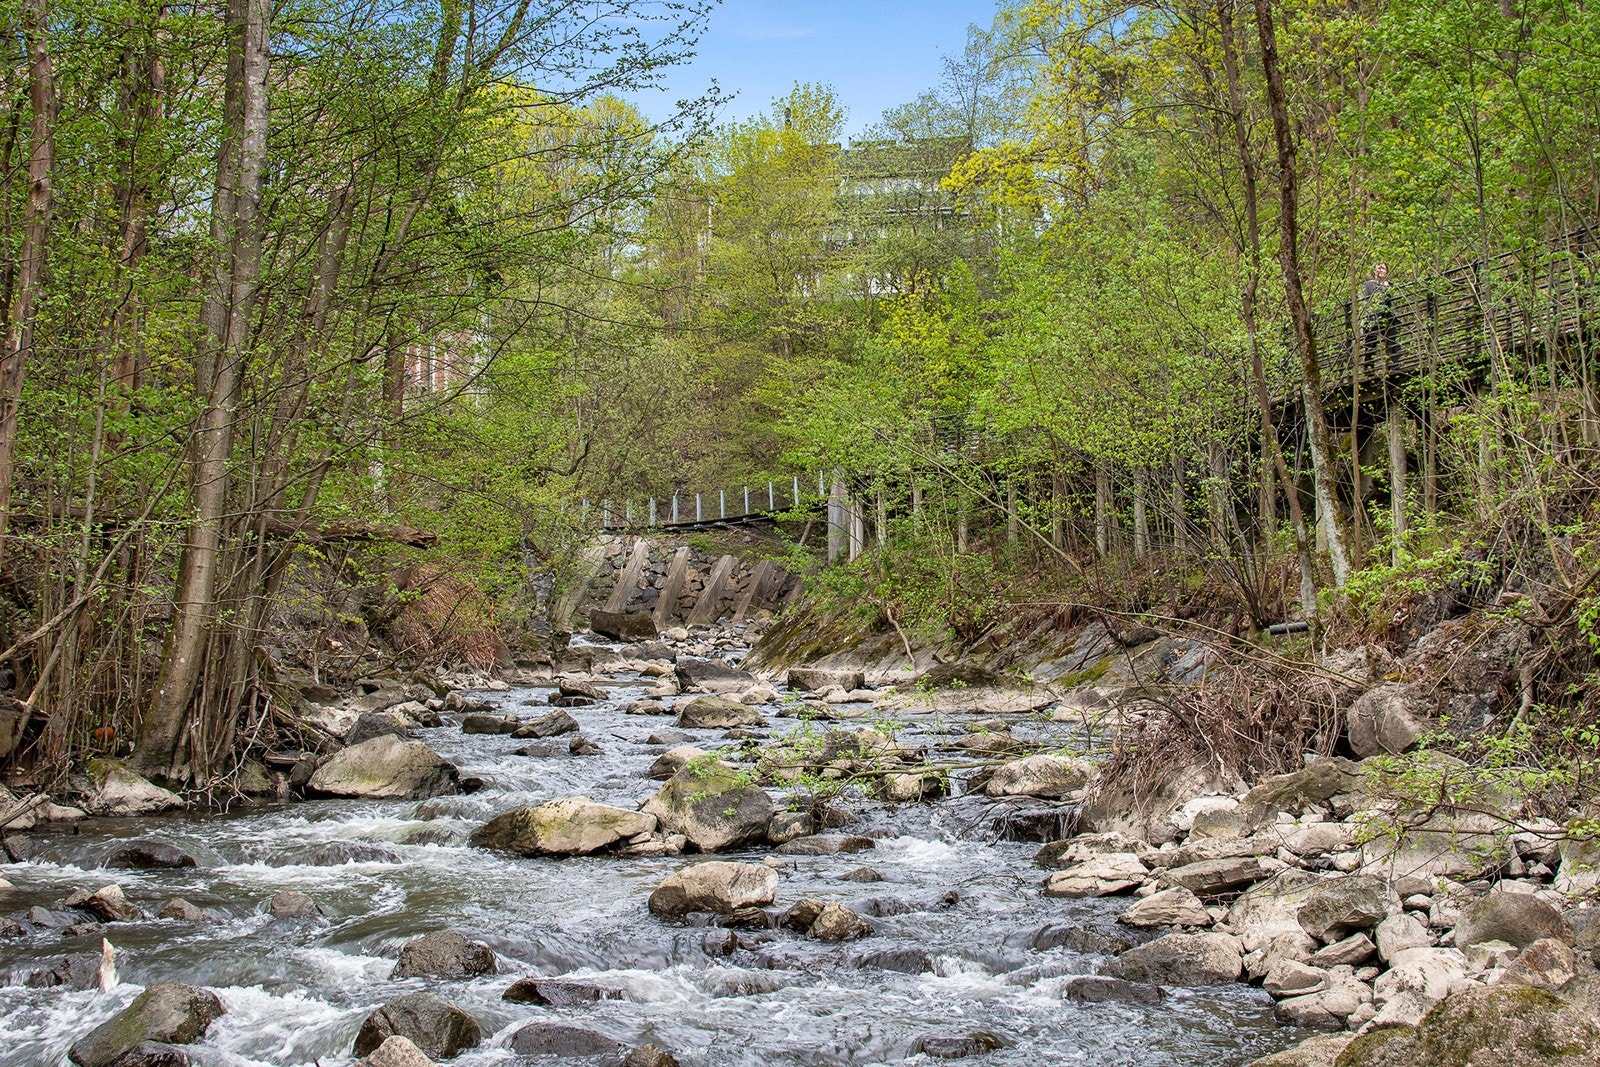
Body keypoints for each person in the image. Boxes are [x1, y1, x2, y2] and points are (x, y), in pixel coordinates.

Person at [1360, 262, 1400, 369]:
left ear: (1387, 271)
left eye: (1383, 268)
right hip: (1372, 316)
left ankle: (1393, 366)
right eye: (1378, 268)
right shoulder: (1368, 284)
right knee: (1370, 344)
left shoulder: (1390, 285)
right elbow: (1370, 299)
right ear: (1374, 270)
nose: (1380, 270)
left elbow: (1392, 303)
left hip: (1388, 316)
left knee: (1392, 340)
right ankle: (1369, 369)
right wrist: (1383, 288)